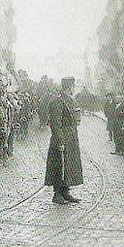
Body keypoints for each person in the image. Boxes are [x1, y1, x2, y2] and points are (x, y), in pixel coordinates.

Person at [45, 76, 84, 204]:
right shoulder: (58, 102)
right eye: (73, 86)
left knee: (69, 165)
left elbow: (76, 117)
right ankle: (57, 194)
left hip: (71, 137)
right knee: (59, 165)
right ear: (69, 87)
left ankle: (66, 191)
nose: (74, 88)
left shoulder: (71, 101)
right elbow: (55, 124)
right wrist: (60, 140)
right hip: (61, 137)